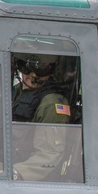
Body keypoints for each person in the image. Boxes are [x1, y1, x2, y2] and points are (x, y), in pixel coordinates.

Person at [10, 53, 77, 181]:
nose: (33, 75)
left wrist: (15, 173)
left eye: (42, 70)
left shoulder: (51, 103)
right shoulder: (11, 92)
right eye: (27, 67)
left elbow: (50, 154)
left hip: (20, 174)